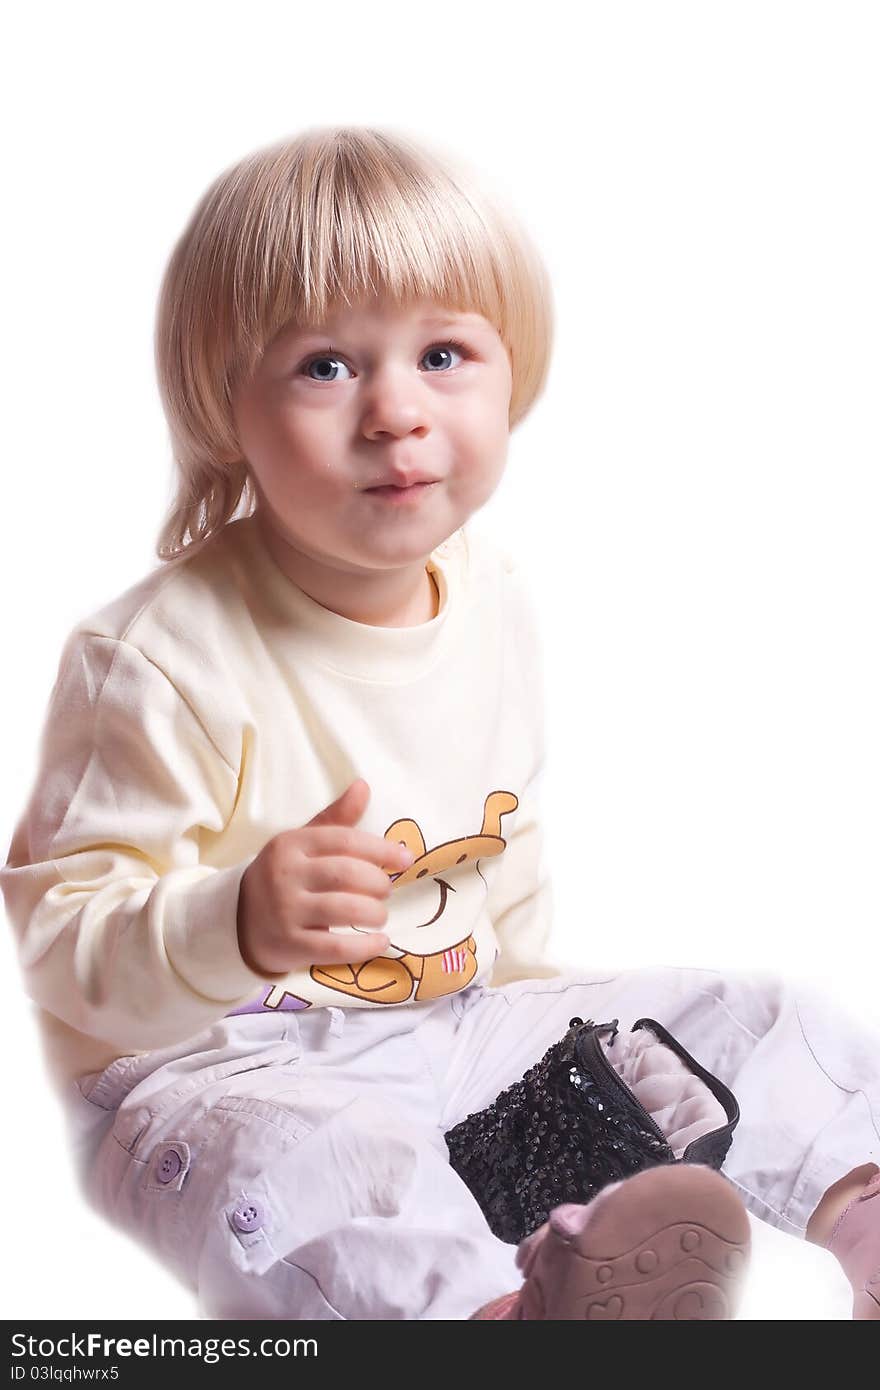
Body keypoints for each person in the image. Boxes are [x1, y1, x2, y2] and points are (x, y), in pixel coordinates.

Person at [1, 125, 877, 1321]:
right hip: (219, 1066)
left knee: (761, 1018)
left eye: (445, 352)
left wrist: (553, 1046)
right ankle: (493, 1316)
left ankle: (862, 1212)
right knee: (324, 1161)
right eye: (324, 367)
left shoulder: (490, 593)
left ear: (514, 371)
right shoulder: (159, 656)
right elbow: (56, 935)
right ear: (225, 404)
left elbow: (495, 844)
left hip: (446, 1026)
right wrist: (235, 920)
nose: (394, 412)